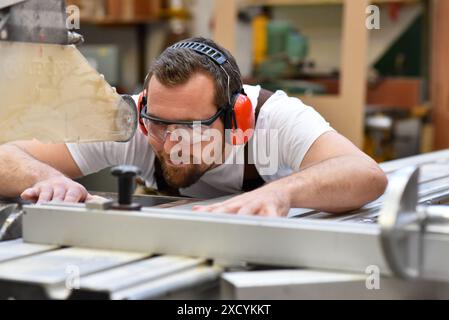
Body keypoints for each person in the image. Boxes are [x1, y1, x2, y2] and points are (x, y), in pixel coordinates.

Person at [0, 37, 387, 217]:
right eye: (158, 124)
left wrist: (283, 194)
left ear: (238, 117)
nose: (170, 143)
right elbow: (6, 156)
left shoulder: (276, 118)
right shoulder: (133, 119)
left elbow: (365, 174)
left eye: (191, 127)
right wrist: (49, 177)